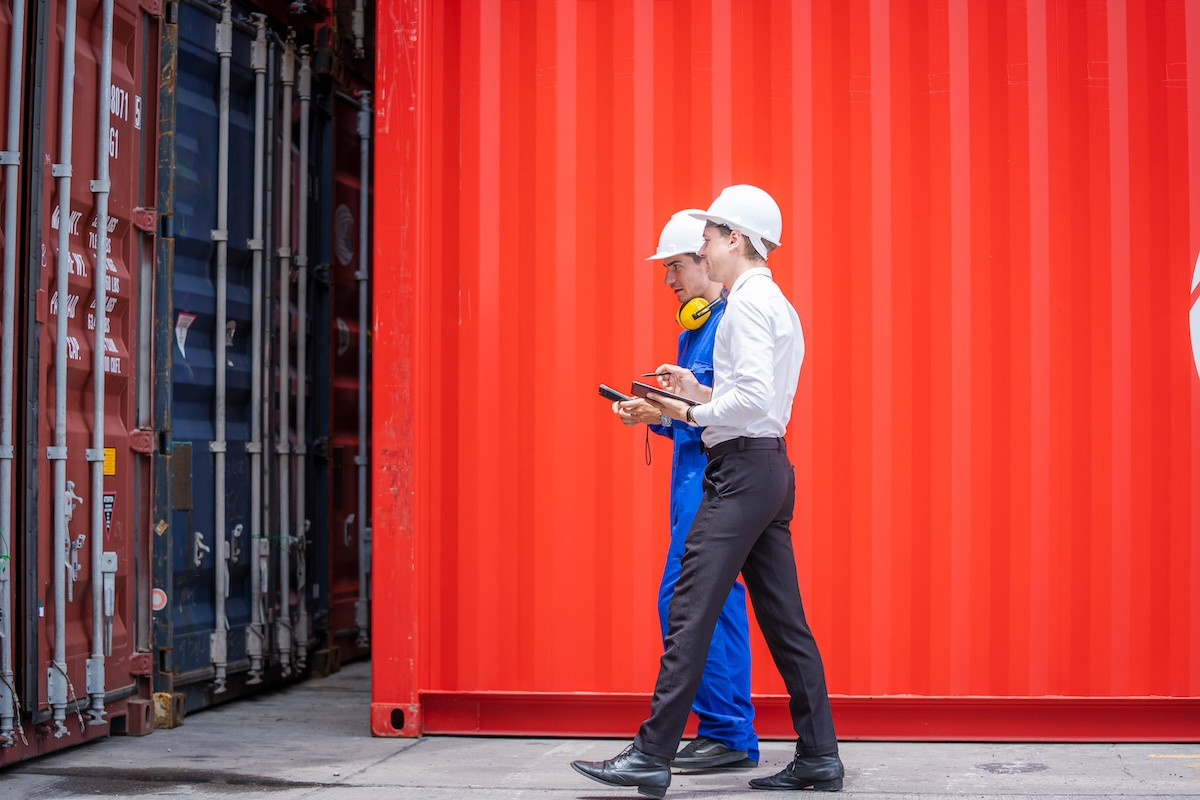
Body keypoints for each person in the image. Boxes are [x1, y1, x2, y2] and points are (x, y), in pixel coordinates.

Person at [572, 185, 843, 797]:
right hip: (769, 467)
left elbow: (746, 400)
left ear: (736, 240)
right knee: (784, 622)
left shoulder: (745, 305)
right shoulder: (776, 302)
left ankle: (650, 755)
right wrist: (693, 393)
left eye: (710, 238)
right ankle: (820, 756)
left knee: (689, 609)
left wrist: (691, 415)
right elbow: (762, 400)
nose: (703, 248)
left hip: (740, 472)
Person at [612, 210, 759, 771]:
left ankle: (725, 732)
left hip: (714, 483)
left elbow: (736, 406)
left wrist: (675, 408)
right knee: (714, 605)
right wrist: (652, 411)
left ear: (707, 258)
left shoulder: (731, 322)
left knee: (685, 600)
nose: (668, 280)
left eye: (675, 266)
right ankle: (728, 733)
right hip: (690, 483)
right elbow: (692, 414)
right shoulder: (691, 327)